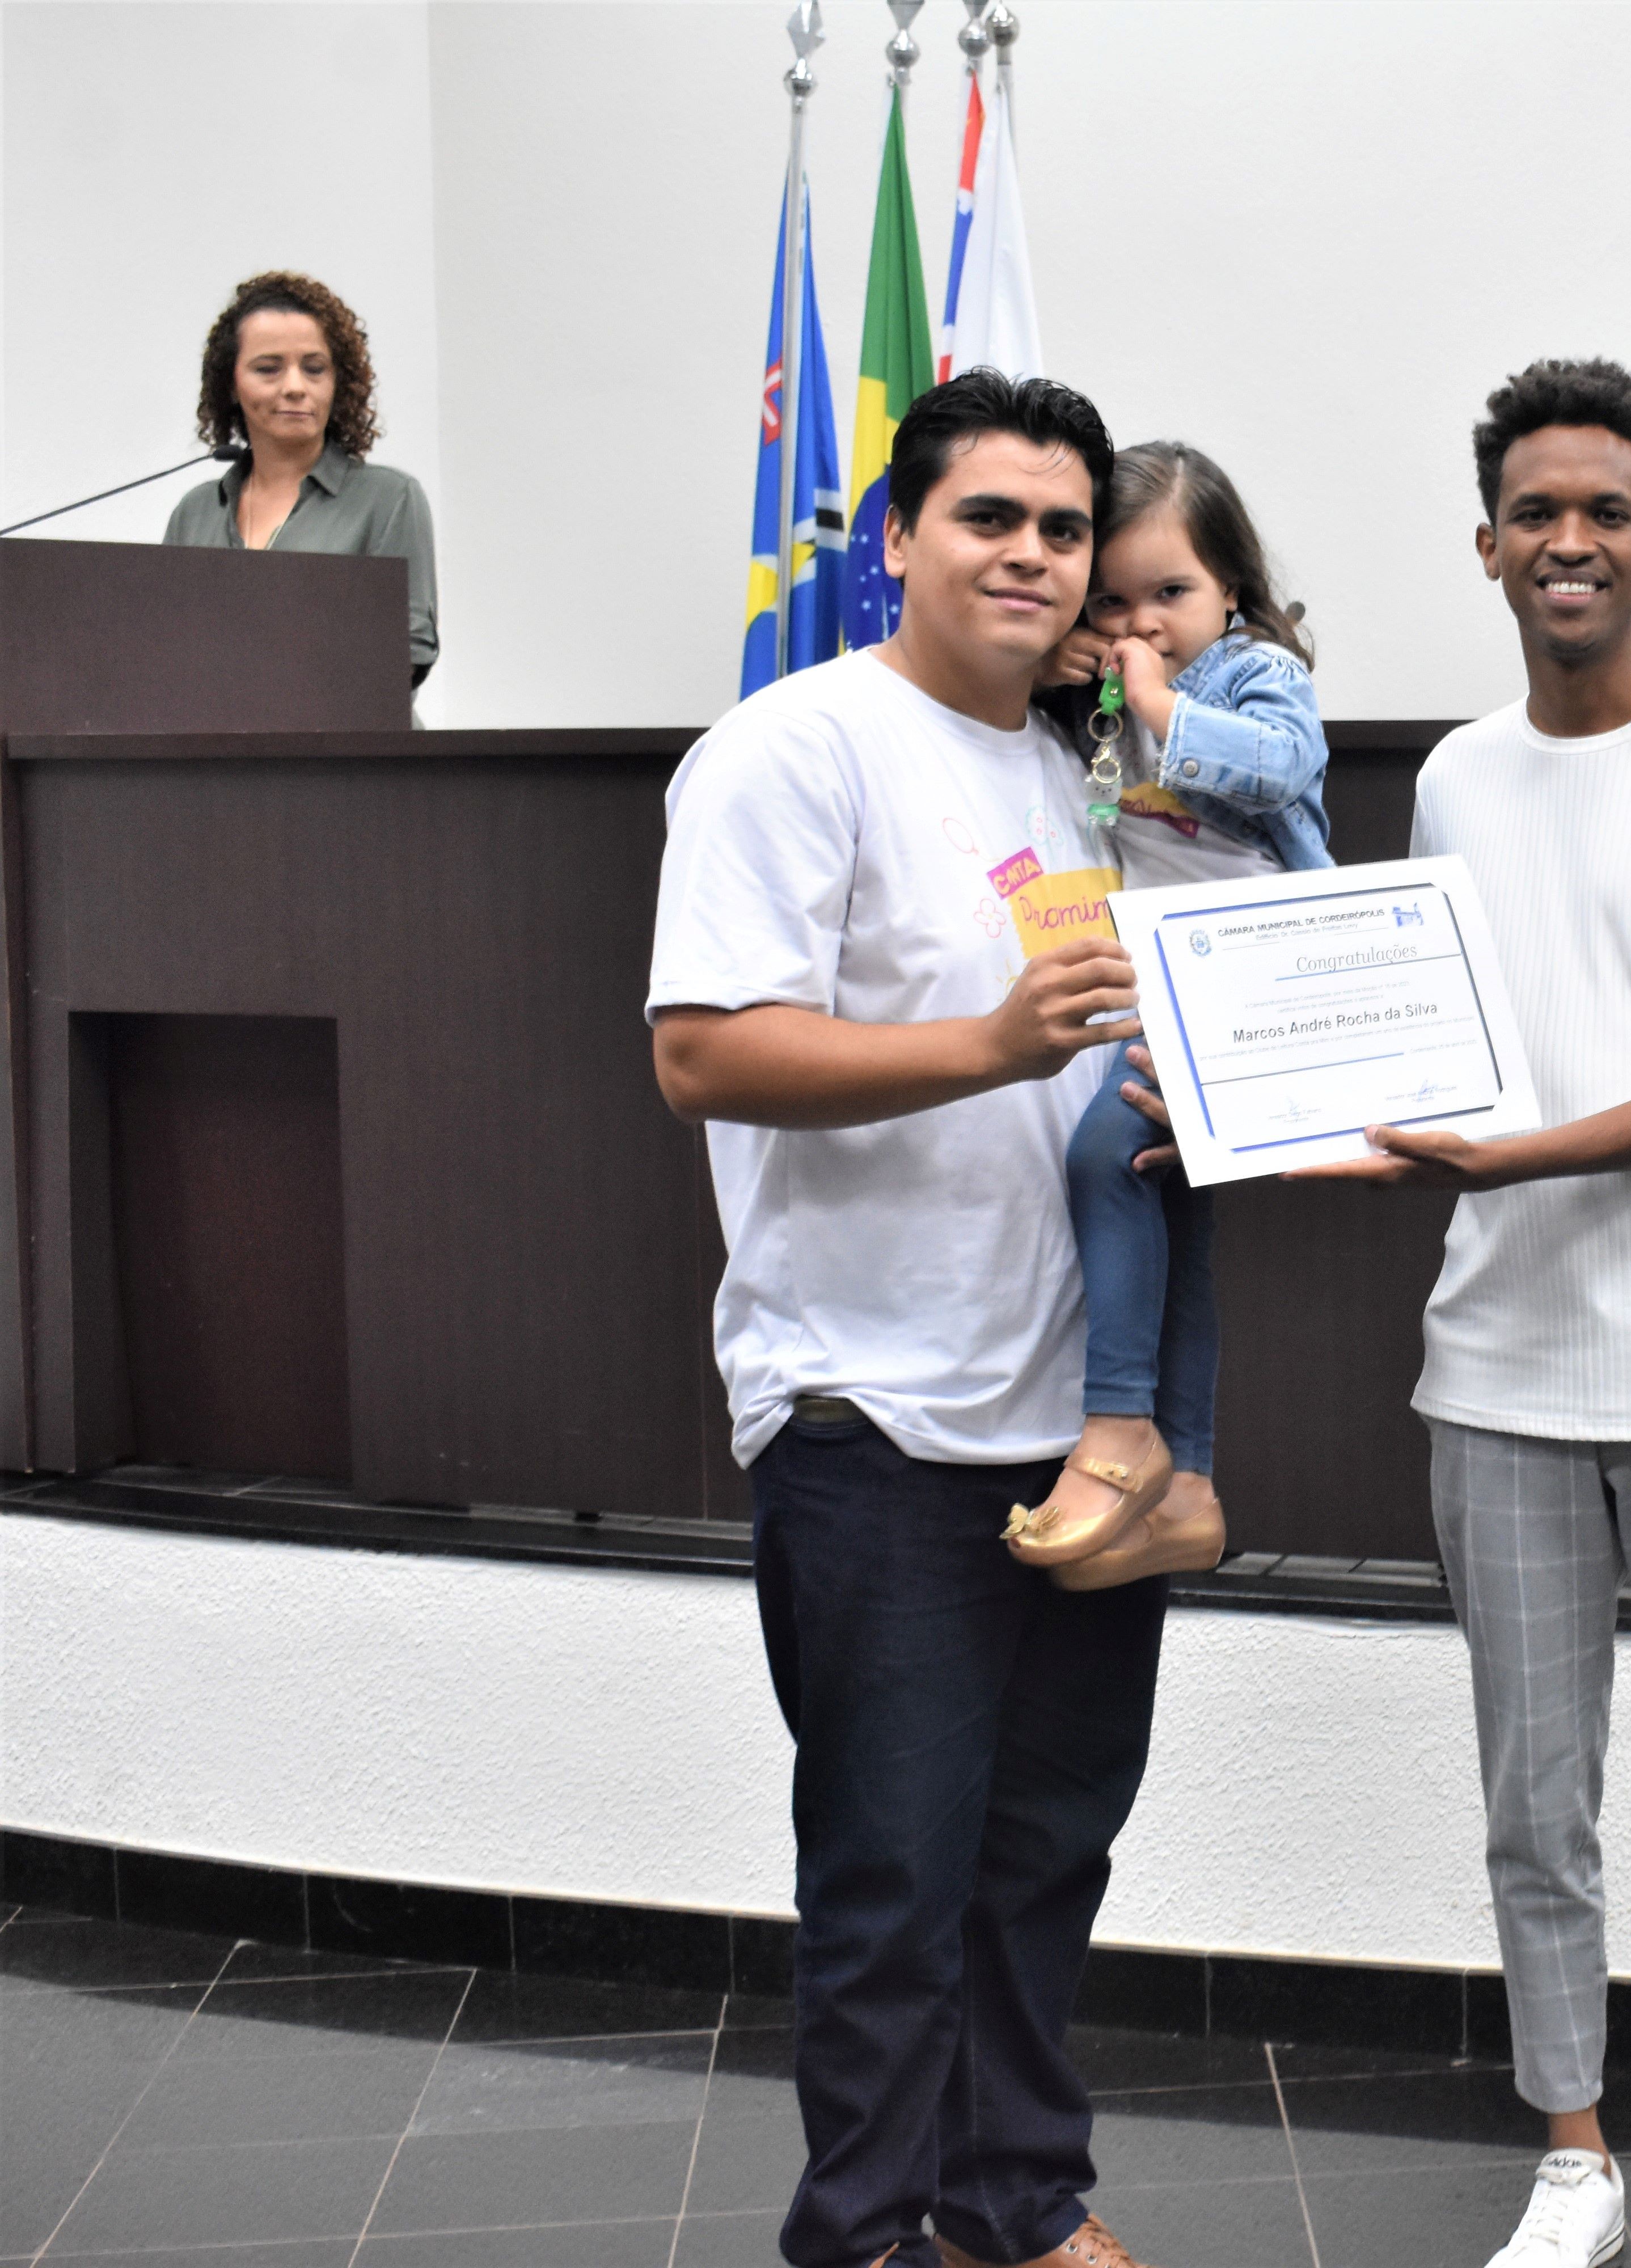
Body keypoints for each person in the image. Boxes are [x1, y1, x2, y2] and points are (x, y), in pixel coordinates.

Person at [1294, 359, 1631, 2268]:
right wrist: (1272, 1115)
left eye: (1608, 510)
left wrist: (1496, 1160)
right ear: (1488, 545)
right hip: (1499, 1377)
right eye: (1537, 511)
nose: (1572, 540)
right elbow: (1432, 1052)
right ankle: (1576, 2159)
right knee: (1535, 1809)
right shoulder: (1457, 776)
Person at [647, 368, 1159, 2268]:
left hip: (1081, 1428)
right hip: (872, 1415)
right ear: (897, 538)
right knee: (892, 1882)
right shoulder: (794, 750)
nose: (1032, 555)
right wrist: (988, 1046)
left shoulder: (1087, 773)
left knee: (1045, 1859)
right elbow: (705, 1054)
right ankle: (860, 2234)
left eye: (1063, 528)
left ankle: (1015, 2203)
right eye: (989, 518)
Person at [1001, 442, 1333, 1582]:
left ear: (1231, 588)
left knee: (1106, 1157)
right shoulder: (1096, 691)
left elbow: (1284, 767)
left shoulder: (1252, 673)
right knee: (1166, 1199)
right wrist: (1061, 672)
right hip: (1157, 964)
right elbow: (1081, 789)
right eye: (1113, 602)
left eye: (1171, 594)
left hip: (1245, 963)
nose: (1140, 624)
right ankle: (1188, 1484)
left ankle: (1118, 1425)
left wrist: (1157, 701)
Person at [162, 270, 440, 685]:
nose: (295, 387)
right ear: (232, 384)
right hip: (215, 728)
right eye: (268, 369)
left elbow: (407, 652)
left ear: (337, 382)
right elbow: (165, 648)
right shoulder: (195, 513)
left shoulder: (389, 499)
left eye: (314, 369)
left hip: (346, 727)